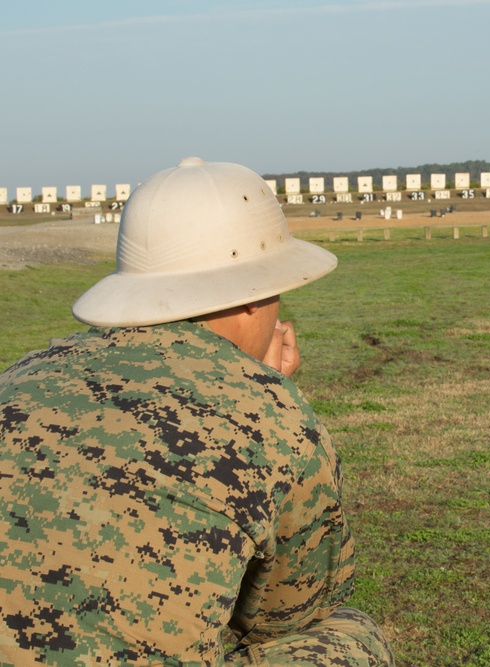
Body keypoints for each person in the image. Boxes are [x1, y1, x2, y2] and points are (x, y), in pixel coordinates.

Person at [0, 158, 394, 666]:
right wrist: (268, 396)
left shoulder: (19, 377)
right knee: (346, 635)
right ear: (254, 296)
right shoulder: (272, 417)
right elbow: (288, 611)